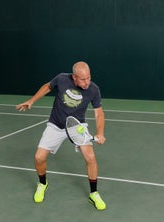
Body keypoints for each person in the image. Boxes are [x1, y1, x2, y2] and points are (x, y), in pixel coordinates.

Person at [16, 61, 106, 210]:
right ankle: (43, 183)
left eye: (89, 77)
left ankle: (94, 193)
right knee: (39, 157)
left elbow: (99, 113)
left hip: (76, 126)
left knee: (90, 157)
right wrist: (32, 100)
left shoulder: (94, 89)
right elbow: (47, 87)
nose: (87, 82)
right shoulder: (62, 79)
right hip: (56, 125)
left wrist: (100, 132)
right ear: (74, 77)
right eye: (83, 79)